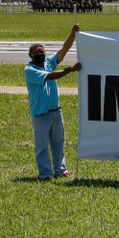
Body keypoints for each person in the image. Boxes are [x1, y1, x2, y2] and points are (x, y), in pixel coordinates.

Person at [24, 24, 82, 180]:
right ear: (30, 55)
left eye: (42, 52)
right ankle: (45, 174)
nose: (41, 54)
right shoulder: (29, 70)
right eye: (37, 53)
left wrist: (73, 34)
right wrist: (70, 69)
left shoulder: (48, 62)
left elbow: (64, 50)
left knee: (58, 143)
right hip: (40, 114)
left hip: (56, 111)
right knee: (42, 146)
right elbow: (51, 76)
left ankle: (61, 170)